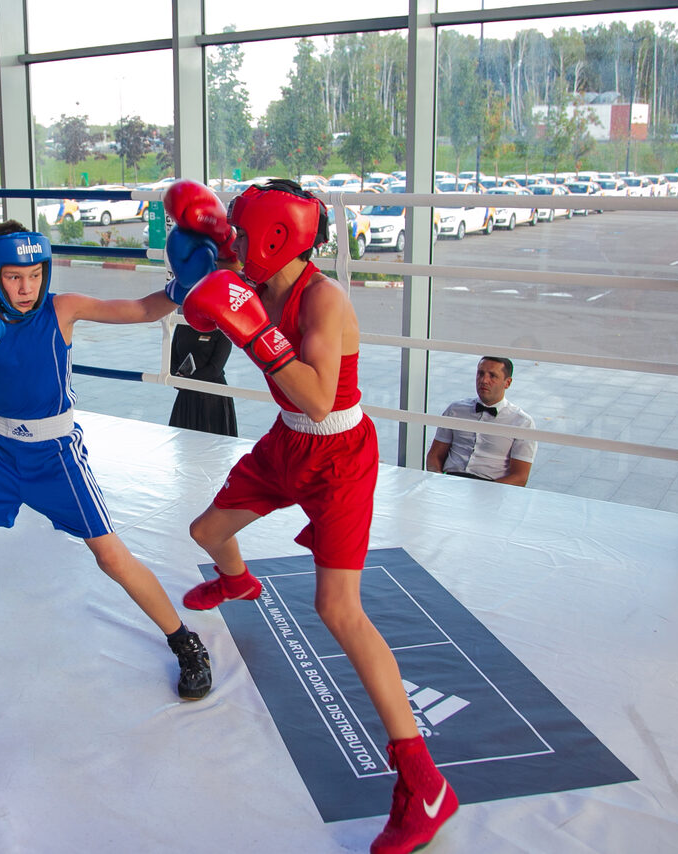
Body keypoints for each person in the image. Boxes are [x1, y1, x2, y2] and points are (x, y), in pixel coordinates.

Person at [173, 179, 457, 854]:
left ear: (277, 235)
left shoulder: (324, 300)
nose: (235, 244)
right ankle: (238, 581)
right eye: (233, 233)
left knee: (339, 611)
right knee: (207, 533)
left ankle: (424, 783)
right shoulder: (249, 276)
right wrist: (199, 274)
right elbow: (192, 308)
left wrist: (254, 330)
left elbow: (323, 398)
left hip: (337, 454)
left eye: (244, 234)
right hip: (286, 441)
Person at [0, 218, 213, 701]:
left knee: (111, 556)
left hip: (57, 456)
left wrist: (183, 287)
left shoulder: (61, 308)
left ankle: (185, 641)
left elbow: (137, 309)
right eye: (13, 276)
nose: (26, 287)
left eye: (34, 275)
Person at [426, 356, 536, 486]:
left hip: (492, 487)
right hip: (450, 482)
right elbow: (434, 456)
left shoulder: (522, 422)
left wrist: (487, 492)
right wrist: (437, 479)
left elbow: (520, 477)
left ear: (507, 383)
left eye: (493, 376)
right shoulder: (455, 410)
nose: (484, 380)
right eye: (480, 373)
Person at [168, 324, 237, 437]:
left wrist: (187, 381)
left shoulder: (222, 330)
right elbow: (172, 358)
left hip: (212, 397)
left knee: (211, 444)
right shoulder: (182, 325)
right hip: (186, 395)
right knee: (183, 443)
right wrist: (176, 377)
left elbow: (215, 369)